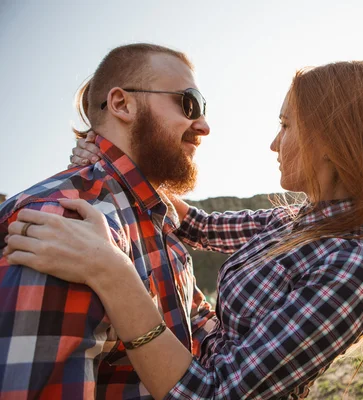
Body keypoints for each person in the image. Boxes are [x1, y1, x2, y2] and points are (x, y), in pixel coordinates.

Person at [4, 61, 363, 399]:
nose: (273, 143)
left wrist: (112, 274)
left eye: (285, 126)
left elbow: (215, 394)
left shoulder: (354, 265)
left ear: (332, 139)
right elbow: (193, 223)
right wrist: (112, 164)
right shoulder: (295, 222)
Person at [0, 43, 215, 399]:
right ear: (121, 104)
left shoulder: (157, 223)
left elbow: (204, 347)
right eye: (189, 103)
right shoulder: (63, 225)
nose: (204, 125)